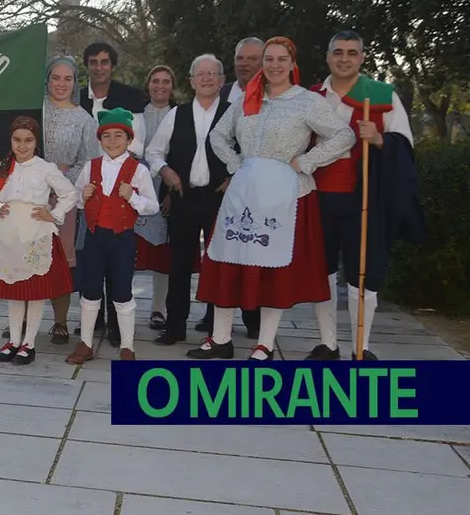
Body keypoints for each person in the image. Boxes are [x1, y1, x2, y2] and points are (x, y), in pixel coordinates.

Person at [188, 36, 355, 361]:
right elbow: (218, 136)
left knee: (272, 268)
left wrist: (306, 162)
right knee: (227, 260)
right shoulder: (247, 99)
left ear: (293, 64)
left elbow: (343, 135)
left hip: (287, 195)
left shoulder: (306, 101)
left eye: (281, 59)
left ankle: (264, 343)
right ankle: (220, 339)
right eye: (269, 59)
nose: (274, 65)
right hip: (245, 193)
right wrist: (237, 164)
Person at [306, 30, 422, 361]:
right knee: (322, 271)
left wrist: (382, 139)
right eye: (338, 52)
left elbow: (406, 143)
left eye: (352, 53)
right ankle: (327, 343)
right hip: (319, 194)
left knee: (363, 272)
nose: (344, 58)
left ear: (362, 58)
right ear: (328, 57)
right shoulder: (312, 96)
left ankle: (362, 346)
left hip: (363, 197)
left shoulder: (382, 95)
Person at [147, 55, 239, 345]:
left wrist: (234, 178)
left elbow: (250, 152)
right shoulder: (177, 114)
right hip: (184, 197)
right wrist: (166, 172)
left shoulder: (235, 112)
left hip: (220, 200)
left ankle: (216, 328)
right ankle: (175, 326)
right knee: (179, 264)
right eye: (201, 74)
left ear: (222, 81)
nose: (207, 78)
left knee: (218, 264)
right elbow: (153, 152)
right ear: (191, 81)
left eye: (213, 73)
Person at [0, 116, 79, 365]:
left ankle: (29, 344)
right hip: (9, 236)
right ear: (11, 140)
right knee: (14, 291)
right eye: (17, 140)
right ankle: (13, 340)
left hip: (36, 235)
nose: (22, 145)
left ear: (36, 142)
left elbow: (70, 194)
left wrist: (54, 214)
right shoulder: (2, 168)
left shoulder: (46, 168)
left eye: (28, 140)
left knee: (35, 292)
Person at [67, 107, 160, 363]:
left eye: (119, 135)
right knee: (90, 290)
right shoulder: (91, 166)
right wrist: (82, 197)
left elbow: (153, 206)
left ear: (129, 139)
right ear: (100, 140)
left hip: (123, 240)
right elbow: (76, 198)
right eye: (106, 136)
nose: (112, 141)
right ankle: (86, 343)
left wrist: (133, 197)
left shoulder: (138, 170)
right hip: (95, 239)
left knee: (121, 291)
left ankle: (127, 346)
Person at [18, 56, 98, 346]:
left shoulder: (83, 119)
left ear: (76, 83)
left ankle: (60, 322)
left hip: (59, 199)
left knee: (58, 260)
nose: (61, 84)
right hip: (25, 197)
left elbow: (90, 162)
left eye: (68, 79)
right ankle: (22, 318)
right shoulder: (31, 109)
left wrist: (60, 176)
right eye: (56, 77)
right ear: (47, 79)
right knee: (24, 257)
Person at [77, 42, 148, 346]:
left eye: (105, 62)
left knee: (118, 271)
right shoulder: (77, 97)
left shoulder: (131, 97)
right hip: (88, 182)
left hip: (120, 182)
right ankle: (92, 326)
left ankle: (119, 330)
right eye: (93, 62)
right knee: (91, 261)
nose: (99, 67)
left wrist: (114, 154)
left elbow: (139, 143)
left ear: (112, 66)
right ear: (87, 65)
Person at [135, 65, 175, 330]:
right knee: (131, 251)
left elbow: (183, 156)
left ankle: (159, 309)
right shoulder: (136, 113)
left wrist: (172, 192)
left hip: (166, 188)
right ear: (148, 84)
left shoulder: (180, 114)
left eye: (165, 81)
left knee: (163, 254)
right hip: (136, 188)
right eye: (155, 81)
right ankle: (122, 305)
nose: (160, 86)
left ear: (173, 86)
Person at [220, 37, 265, 105]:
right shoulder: (217, 95)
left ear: (264, 62)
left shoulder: (275, 96)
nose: (244, 63)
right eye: (240, 58)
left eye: (252, 59)